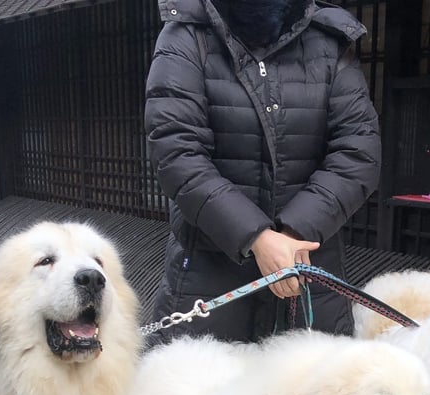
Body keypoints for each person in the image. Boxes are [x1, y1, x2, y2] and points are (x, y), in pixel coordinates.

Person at [144, 0, 381, 343]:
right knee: (201, 392)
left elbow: (359, 152)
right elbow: (177, 151)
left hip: (307, 268)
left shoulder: (327, 40)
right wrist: (256, 237)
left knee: (311, 393)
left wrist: (291, 233)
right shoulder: (187, 34)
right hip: (208, 276)